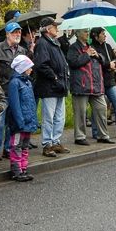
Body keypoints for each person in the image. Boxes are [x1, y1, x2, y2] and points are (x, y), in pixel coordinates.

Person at [0, 22, 28, 158]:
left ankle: (9, 148)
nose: (17, 34)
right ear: (7, 34)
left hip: (16, 93)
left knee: (13, 122)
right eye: (14, 32)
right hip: (1, 93)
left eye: (19, 32)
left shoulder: (22, 51)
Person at [33, 17, 71, 155]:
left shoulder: (54, 43)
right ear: (48, 29)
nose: (57, 28)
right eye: (55, 26)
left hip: (59, 85)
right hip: (49, 86)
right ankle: (47, 144)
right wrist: (54, 77)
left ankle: (56, 141)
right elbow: (41, 64)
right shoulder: (43, 43)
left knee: (60, 117)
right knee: (49, 117)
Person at [67, 29, 111, 145]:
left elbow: (104, 61)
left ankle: (103, 135)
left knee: (102, 109)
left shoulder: (91, 46)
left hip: (95, 85)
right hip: (81, 85)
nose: (87, 33)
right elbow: (73, 62)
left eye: (87, 31)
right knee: (81, 113)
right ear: (78, 34)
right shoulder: (73, 48)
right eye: (85, 31)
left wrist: (98, 56)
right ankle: (80, 137)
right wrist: (87, 54)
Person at [90, 27, 116, 138]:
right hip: (98, 81)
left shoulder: (107, 46)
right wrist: (108, 65)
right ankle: (96, 131)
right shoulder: (92, 48)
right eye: (102, 34)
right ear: (96, 36)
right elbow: (97, 63)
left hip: (110, 81)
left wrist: (114, 62)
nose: (105, 36)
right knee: (99, 107)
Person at [6, 55, 38, 182]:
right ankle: (16, 170)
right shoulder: (15, 83)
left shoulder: (28, 82)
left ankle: (23, 168)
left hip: (28, 121)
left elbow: (31, 103)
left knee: (25, 146)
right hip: (19, 123)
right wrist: (19, 121)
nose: (31, 70)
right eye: (29, 67)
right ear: (23, 68)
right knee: (16, 146)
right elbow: (15, 104)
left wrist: (33, 119)